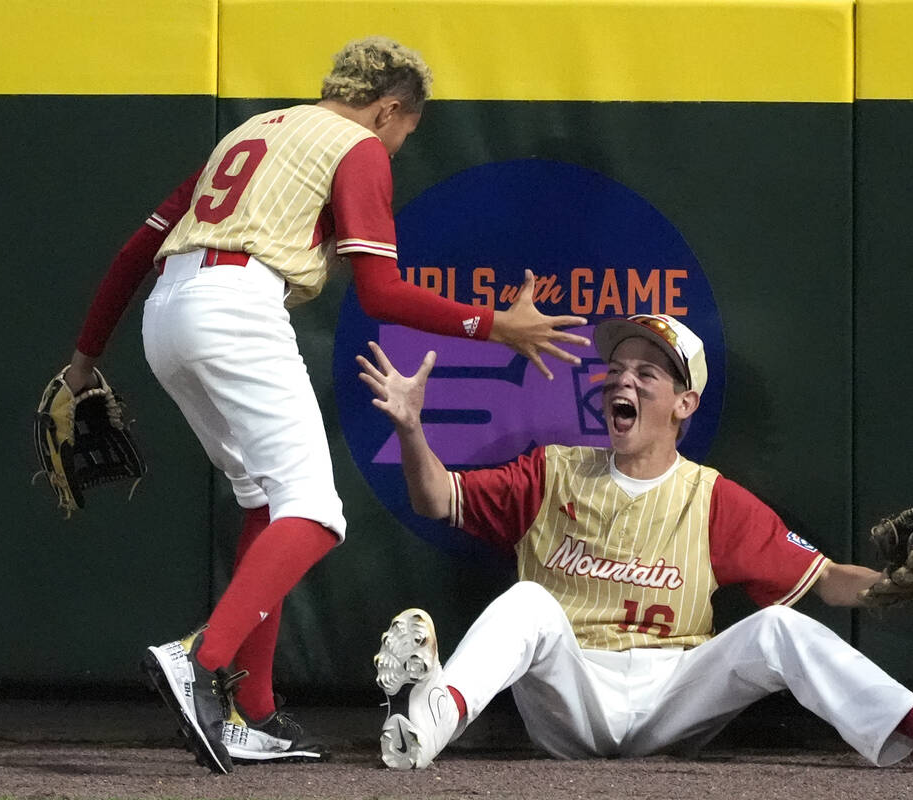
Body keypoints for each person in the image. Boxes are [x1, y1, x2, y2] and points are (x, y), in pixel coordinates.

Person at [58, 36, 590, 774]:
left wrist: (86, 360)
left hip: (167, 313)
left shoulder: (250, 132)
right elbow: (381, 295)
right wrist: (497, 326)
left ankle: (253, 710)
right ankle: (200, 659)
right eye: (407, 131)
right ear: (389, 108)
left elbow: (134, 249)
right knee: (315, 511)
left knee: (266, 501)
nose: (400, 148)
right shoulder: (359, 146)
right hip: (238, 309)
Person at [357, 313, 913, 770]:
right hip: (572, 690)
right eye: (617, 369)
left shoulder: (713, 498)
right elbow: (438, 499)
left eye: (647, 373)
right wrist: (413, 431)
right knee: (529, 601)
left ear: (684, 404)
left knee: (778, 628)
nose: (624, 382)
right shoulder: (551, 469)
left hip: (672, 697)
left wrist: (895, 583)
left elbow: (825, 578)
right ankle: (431, 720)